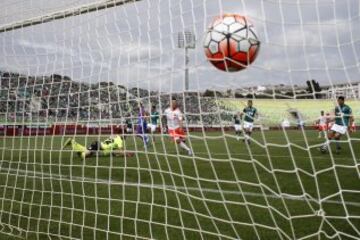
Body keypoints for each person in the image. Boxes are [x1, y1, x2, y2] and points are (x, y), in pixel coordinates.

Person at [63, 135, 133, 160]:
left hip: (99, 144)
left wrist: (116, 153)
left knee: (88, 154)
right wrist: (127, 154)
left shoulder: (116, 136)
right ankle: (72, 142)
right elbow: (121, 150)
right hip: (99, 145)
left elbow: (112, 147)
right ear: (124, 138)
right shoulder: (120, 141)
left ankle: (78, 150)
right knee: (85, 154)